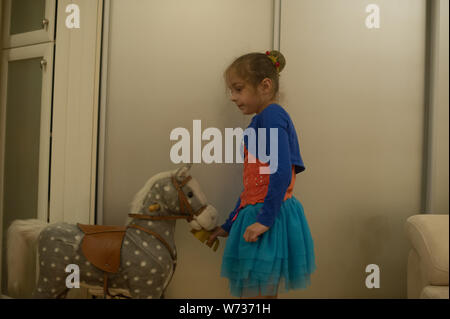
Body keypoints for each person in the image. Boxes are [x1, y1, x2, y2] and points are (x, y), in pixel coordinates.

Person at [207, 50, 317, 299]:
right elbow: (253, 185)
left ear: (265, 86)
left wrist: (265, 220)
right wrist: (229, 223)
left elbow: (280, 172)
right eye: (231, 91)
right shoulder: (261, 120)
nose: (233, 98)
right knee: (260, 295)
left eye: (238, 89)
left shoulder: (272, 115)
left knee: (258, 296)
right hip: (258, 212)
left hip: (268, 217)